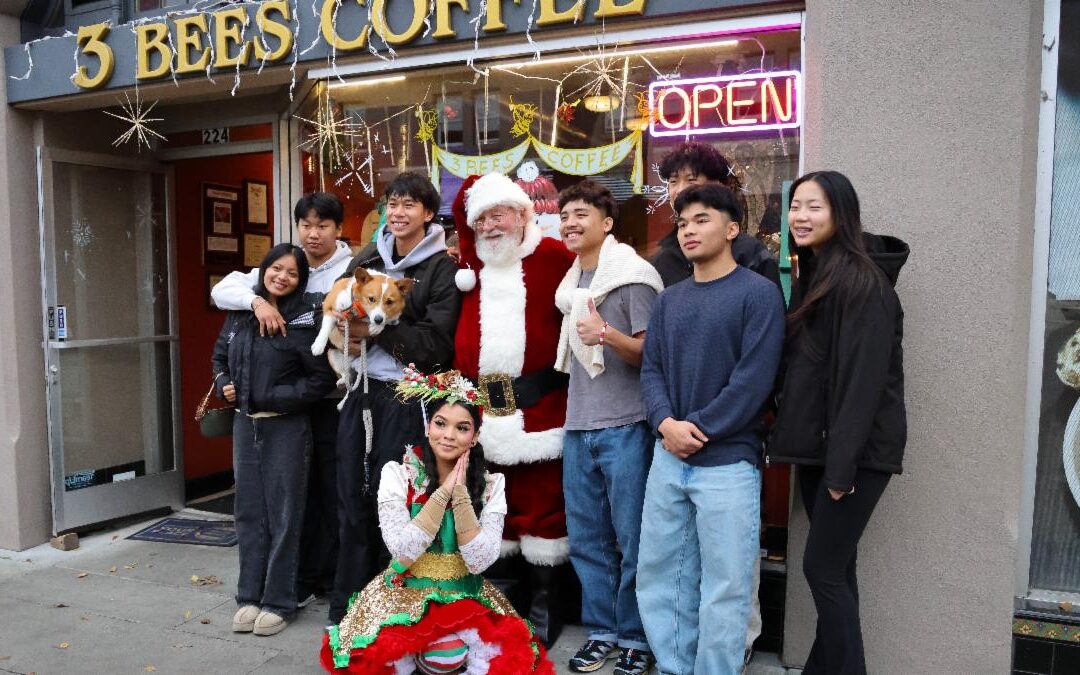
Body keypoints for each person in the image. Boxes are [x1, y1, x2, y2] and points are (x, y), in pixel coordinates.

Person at [638, 185, 785, 674]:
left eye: (701, 220)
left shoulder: (759, 294)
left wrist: (691, 430)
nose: (688, 230)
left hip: (728, 462)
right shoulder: (669, 300)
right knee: (661, 576)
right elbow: (651, 370)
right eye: (681, 224)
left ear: (731, 229)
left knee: (727, 585)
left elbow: (753, 382)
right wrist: (664, 423)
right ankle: (675, 666)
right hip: (668, 457)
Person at [320, 368, 554, 674]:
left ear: (475, 436)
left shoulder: (492, 484)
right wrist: (441, 494)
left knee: (472, 658)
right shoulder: (398, 474)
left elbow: (480, 560)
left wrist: (460, 496)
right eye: (440, 423)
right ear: (428, 427)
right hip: (405, 592)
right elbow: (403, 551)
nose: (448, 435)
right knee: (389, 661)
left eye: (462, 428)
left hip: (465, 593)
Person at [767, 171, 908, 674]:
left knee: (822, 569)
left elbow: (862, 384)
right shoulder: (817, 272)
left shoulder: (861, 280)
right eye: (796, 206)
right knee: (837, 572)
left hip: (852, 454)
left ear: (841, 214)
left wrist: (842, 470)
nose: (800, 217)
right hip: (820, 449)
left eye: (815, 207)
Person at [450, 172, 576, 646]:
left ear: (524, 214)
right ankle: (503, 603)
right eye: (481, 217)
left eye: (498, 213)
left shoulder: (555, 259)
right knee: (491, 506)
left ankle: (545, 605)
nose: (489, 225)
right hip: (482, 409)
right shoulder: (468, 270)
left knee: (542, 508)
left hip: (540, 408)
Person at [330, 172, 461, 625]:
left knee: (401, 504)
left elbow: (436, 345)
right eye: (393, 204)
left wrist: (376, 330)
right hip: (360, 392)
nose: (399, 213)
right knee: (352, 496)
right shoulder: (368, 255)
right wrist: (344, 332)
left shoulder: (441, 268)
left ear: (428, 213)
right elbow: (335, 306)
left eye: (410, 205)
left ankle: (401, 611)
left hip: (409, 399)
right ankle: (350, 608)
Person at [212, 193, 355, 604]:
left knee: (327, 490)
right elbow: (225, 290)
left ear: (338, 229)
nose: (313, 233)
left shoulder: (352, 268)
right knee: (282, 499)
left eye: (322, 225)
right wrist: (257, 302)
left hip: (330, 398)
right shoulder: (282, 267)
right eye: (306, 225)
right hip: (278, 407)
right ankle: (293, 581)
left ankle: (326, 577)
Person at [553, 180, 663, 675]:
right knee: (587, 538)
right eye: (565, 215)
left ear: (608, 222)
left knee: (634, 539)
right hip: (578, 424)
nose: (571, 223)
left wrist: (607, 334)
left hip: (626, 425)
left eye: (581, 214)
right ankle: (602, 631)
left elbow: (652, 354)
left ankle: (638, 637)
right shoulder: (571, 284)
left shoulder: (634, 277)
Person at [650, 141, 778, 287]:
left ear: (718, 185)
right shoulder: (663, 259)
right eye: (673, 181)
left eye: (691, 179)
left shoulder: (751, 254)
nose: (679, 190)